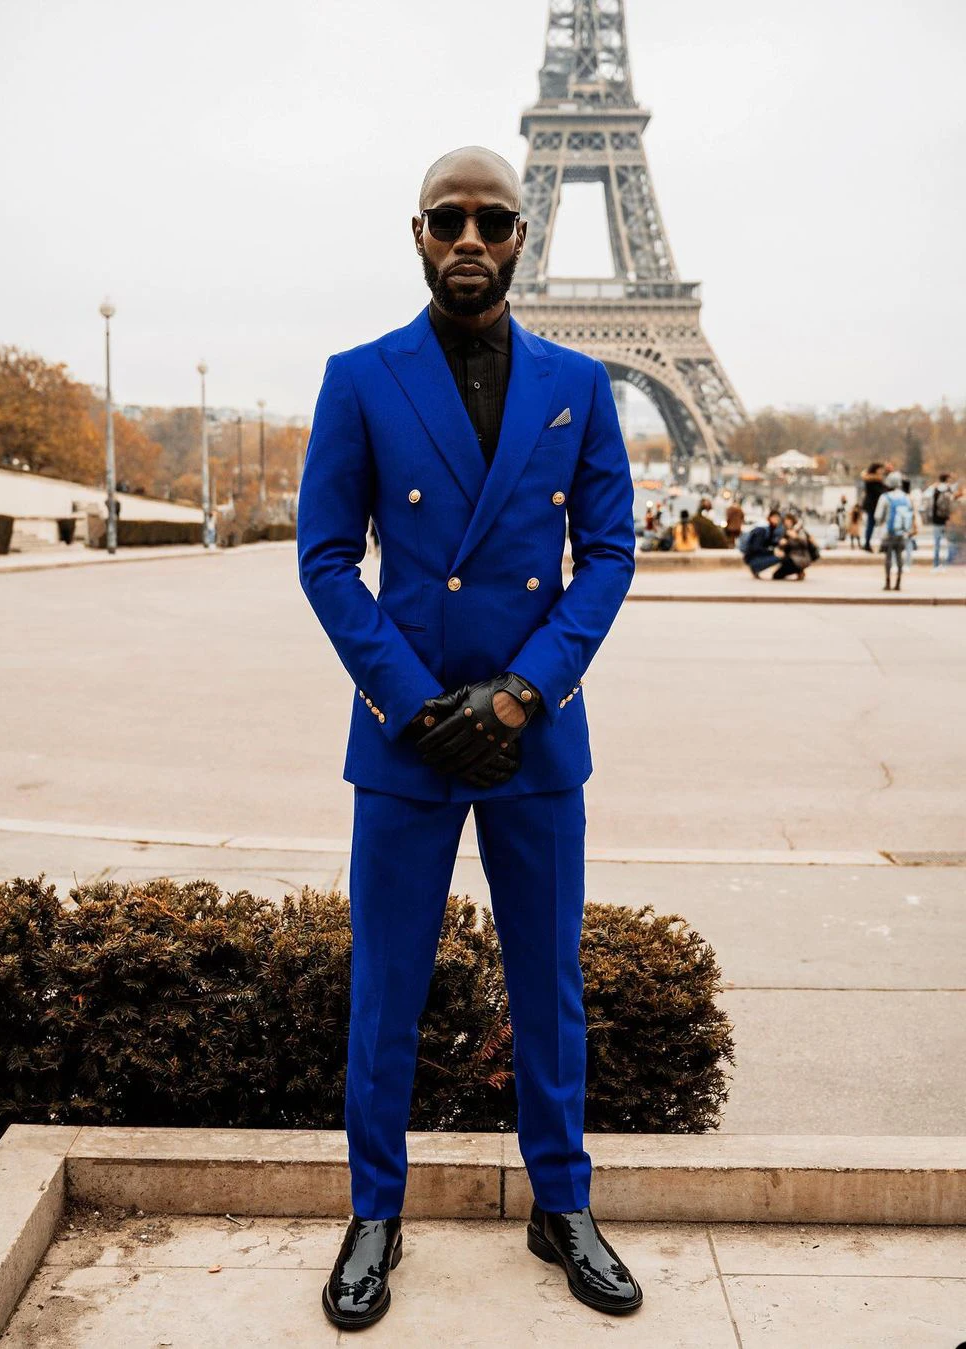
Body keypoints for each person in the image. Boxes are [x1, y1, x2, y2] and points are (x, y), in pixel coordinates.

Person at [297, 145, 643, 1331]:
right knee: (386, 987)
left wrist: (518, 695)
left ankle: (562, 1201)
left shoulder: (580, 381)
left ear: (519, 238)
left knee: (548, 983)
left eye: (492, 220)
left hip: (531, 732)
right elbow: (325, 555)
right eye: (448, 217)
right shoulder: (359, 377)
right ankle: (375, 1212)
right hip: (405, 734)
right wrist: (413, 698)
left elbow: (607, 553)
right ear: (417, 232)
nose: (469, 238)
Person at [874, 470, 913, 591]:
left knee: (888, 558)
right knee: (899, 556)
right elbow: (910, 513)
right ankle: (898, 582)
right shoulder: (906, 497)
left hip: (888, 532)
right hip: (902, 532)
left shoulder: (885, 497)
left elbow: (878, 516)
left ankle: (887, 582)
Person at [924, 472, 957, 569]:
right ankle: (946, 564)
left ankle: (936, 564)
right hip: (947, 520)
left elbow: (925, 497)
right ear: (947, 479)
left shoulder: (935, 488)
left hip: (936, 519)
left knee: (937, 543)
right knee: (948, 543)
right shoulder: (950, 489)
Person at [772, 511, 818, 580]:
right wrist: (782, 544)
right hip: (792, 557)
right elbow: (784, 546)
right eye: (785, 521)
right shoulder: (785, 532)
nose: (787, 522)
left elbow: (805, 543)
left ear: (793, 521)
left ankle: (799, 570)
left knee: (784, 563)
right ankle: (799, 571)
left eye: (789, 520)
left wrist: (796, 537)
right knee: (776, 575)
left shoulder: (799, 530)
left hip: (801, 557)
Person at [742, 508, 785, 577]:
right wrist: (772, 551)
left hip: (755, 555)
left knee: (781, 555)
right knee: (779, 557)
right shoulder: (762, 530)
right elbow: (756, 548)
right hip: (752, 557)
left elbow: (768, 543)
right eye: (775, 518)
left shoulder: (770, 529)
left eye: (778, 519)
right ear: (770, 518)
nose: (777, 521)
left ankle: (756, 567)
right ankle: (755, 567)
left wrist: (778, 543)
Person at [860, 462, 887, 551]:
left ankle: (868, 543)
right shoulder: (873, 480)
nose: (882, 471)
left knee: (871, 525)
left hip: (872, 505)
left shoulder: (871, 479)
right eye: (880, 469)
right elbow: (880, 491)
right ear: (876, 469)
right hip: (873, 505)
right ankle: (869, 543)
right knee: (872, 524)